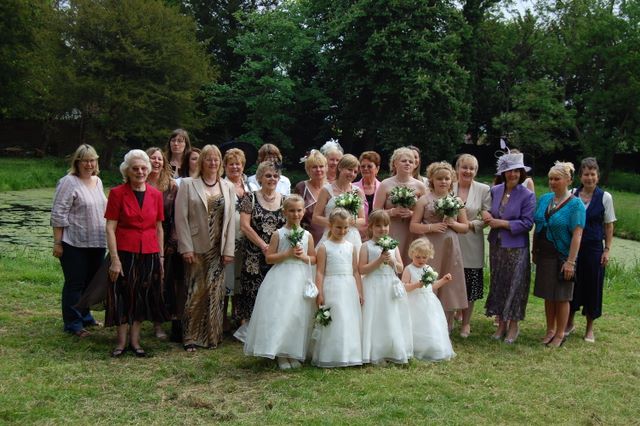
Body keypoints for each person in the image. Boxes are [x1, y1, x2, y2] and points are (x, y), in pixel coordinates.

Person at [105, 149, 168, 357]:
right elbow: (110, 228)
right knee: (122, 295)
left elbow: (159, 228)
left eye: (143, 168)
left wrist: (161, 258)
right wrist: (114, 259)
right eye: (135, 169)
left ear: (148, 170)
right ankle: (121, 342)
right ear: (127, 171)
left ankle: (135, 341)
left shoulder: (156, 194)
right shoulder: (117, 193)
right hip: (124, 253)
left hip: (149, 252)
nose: (140, 172)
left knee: (142, 295)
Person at [243, 195, 317, 369]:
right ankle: (281, 353)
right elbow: (269, 258)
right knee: (282, 313)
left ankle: (293, 351)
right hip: (282, 278)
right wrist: (287, 254)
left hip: (301, 277)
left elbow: (313, 258)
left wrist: (303, 256)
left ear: (304, 212)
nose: (295, 214)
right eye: (291, 211)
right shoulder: (279, 234)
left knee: (297, 314)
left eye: (299, 210)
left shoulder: (307, 235)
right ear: (284, 212)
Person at [175, 144, 235, 352]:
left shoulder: (227, 186)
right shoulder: (188, 184)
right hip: (196, 247)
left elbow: (231, 222)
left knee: (215, 293)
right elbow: (181, 218)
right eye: (208, 159)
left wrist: (228, 250)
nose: (212, 162)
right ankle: (190, 336)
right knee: (196, 292)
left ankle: (212, 336)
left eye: (216, 159)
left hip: (219, 248)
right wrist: (186, 247)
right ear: (202, 162)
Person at [51, 144, 107, 338]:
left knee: (90, 283)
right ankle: (73, 323)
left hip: (97, 242)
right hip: (74, 243)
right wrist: (58, 242)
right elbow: (58, 213)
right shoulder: (68, 182)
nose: (89, 164)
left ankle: (85, 316)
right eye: (85, 161)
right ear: (77, 162)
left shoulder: (98, 181)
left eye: (92, 160)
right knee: (75, 283)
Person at [483, 152, 535, 344]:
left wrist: (503, 224)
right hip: (497, 245)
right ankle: (501, 323)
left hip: (516, 248)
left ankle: (513, 325)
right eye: (509, 171)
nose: (512, 174)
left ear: (521, 173)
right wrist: (486, 215)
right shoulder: (495, 190)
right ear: (503, 173)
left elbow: (527, 223)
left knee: (515, 285)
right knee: (499, 282)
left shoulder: (527, 195)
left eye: (516, 171)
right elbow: (487, 209)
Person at [410, 161, 468, 330]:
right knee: (430, 279)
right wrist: (431, 227)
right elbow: (413, 226)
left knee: (448, 282)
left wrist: (453, 223)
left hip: (450, 246)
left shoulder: (456, 200)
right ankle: (426, 322)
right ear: (432, 180)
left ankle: (447, 322)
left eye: (446, 178)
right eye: (439, 178)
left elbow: (465, 227)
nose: (443, 182)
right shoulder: (424, 200)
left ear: (452, 180)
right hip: (429, 247)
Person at [533, 161, 585, 348]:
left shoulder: (576, 205)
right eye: (550, 179)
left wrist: (571, 262)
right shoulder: (545, 199)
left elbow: (577, 235)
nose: (552, 182)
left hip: (563, 256)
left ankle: (560, 333)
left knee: (562, 296)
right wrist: (534, 250)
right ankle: (550, 330)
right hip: (545, 254)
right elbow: (538, 225)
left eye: (557, 179)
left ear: (568, 180)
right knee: (549, 294)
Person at [566, 158, 616, 343]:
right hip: (573, 248)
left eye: (593, 174)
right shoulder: (572, 194)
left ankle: (589, 328)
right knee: (571, 285)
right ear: (580, 176)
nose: (589, 178)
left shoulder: (605, 197)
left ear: (598, 176)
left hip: (594, 249)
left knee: (593, 287)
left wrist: (607, 250)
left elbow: (609, 226)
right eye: (586, 174)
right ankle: (569, 323)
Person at [359, 210, 413, 365]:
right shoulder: (366, 246)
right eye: (378, 226)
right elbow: (362, 269)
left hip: (390, 285)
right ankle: (374, 350)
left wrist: (391, 262)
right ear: (371, 227)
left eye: (385, 225)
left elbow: (400, 268)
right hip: (373, 285)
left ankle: (392, 348)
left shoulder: (393, 245)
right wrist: (379, 261)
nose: (382, 229)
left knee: (391, 315)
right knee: (375, 316)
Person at [312, 208, 363, 368]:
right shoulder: (324, 247)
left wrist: (359, 291)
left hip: (349, 286)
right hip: (332, 285)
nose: (342, 231)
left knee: (348, 317)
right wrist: (319, 292)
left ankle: (350, 353)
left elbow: (355, 271)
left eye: (345, 227)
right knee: (335, 317)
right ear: (330, 226)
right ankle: (331, 354)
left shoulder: (351, 247)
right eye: (338, 227)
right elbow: (320, 271)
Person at [237, 161, 286, 325]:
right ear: (259, 178)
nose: (272, 179)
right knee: (251, 290)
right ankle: (247, 326)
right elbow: (244, 226)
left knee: (275, 290)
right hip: (254, 254)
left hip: (277, 255)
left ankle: (269, 325)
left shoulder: (285, 200)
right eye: (268, 175)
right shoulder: (249, 198)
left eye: (275, 176)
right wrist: (263, 245)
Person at [453, 154, 491, 338]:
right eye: (464, 167)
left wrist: (468, 225)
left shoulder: (484, 189)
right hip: (450, 240)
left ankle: (466, 323)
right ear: (457, 169)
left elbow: (487, 218)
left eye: (472, 168)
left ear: (476, 171)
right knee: (451, 280)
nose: (468, 171)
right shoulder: (447, 185)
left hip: (472, 242)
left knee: (470, 283)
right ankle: (449, 317)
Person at [146, 147, 180, 341]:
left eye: (159, 159)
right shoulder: (139, 182)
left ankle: (158, 323)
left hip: (165, 238)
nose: (156, 162)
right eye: (153, 158)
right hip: (143, 235)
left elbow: (177, 216)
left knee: (161, 281)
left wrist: (173, 240)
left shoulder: (172, 186)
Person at [402, 238, 455, 361]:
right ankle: (414, 347)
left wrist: (443, 280)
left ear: (429, 256)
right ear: (412, 254)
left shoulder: (429, 269)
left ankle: (432, 347)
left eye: (424, 257)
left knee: (431, 322)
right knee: (415, 323)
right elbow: (404, 286)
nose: (421, 260)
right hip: (413, 301)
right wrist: (416, 285)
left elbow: (432, 286)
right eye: (418, 257)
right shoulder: (409, 269)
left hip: (428, 301)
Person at [373, 147, 428, 265]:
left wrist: (412, 214)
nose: (408, 163)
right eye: (404, 161)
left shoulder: (420, 186)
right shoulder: (385, 184)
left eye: (411, 161)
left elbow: (426, 213)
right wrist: (391, 212)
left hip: (411, 231)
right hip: (390, 229)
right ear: (395, 163)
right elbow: (375, 211)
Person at [312, 154, 366, 255]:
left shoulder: (357, 192)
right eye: (349, 169)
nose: (352, 174)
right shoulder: (326, 190)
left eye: (355, 172)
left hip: (352, 237)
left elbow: (362, 220)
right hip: (331, 234)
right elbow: (315, 217)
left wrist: (348, 222)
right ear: (340, 167)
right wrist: (335, 224)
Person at [222, 148, 250, 330]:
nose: (235, 167)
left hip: (246, 239)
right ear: (225, 166)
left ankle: (238, 316)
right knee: (227, 279)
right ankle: (223, 318)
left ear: (243, 166)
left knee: (241, 279)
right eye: (231, 164)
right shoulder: (221, 185)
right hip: (228, 239)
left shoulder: (250, 186)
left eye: (238, 164)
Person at [294, 149, 328, 244]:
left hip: (329, 239)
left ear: (326, 168)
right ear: (308, 169)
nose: (318, 170)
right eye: (314, 167)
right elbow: (293, 214)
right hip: (307, 239)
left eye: (321, 166)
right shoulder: (301, 187)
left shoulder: (331, 188)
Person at [353, 151, 382, 217]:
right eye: (363, 166)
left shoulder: (382, 187)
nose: (365, 168)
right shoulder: (352, 187)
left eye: (369, 166)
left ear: (377, 169)